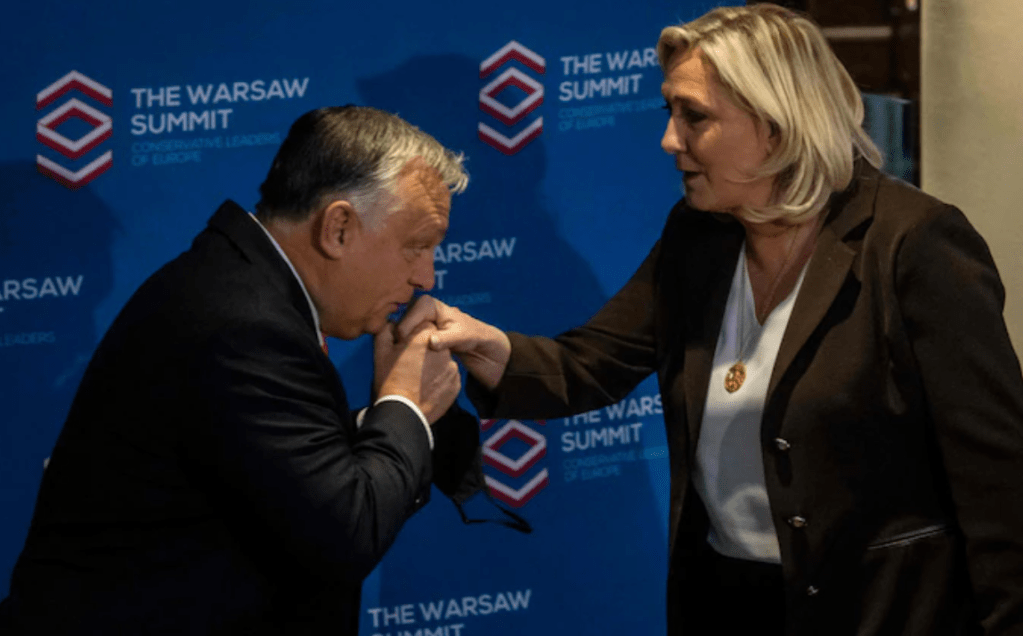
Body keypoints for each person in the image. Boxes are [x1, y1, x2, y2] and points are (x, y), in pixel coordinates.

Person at [397, 4, 1023, 635]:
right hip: (724, 602)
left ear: (776, 124)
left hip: (882, 611)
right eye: (670, 112)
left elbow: (999, 479)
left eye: (694, 116)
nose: (669, 140)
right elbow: (592, 363)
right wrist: (484, 345)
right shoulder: (699, 235)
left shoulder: (913, 244)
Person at [0, 106, 485, 635]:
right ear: (339, 228)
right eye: (416, 247)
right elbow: (345, 534)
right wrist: (405, 406)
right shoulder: (245, 324)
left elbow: (278, 471)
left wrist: (395, 418)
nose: (426, 277)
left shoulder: (239, 288)